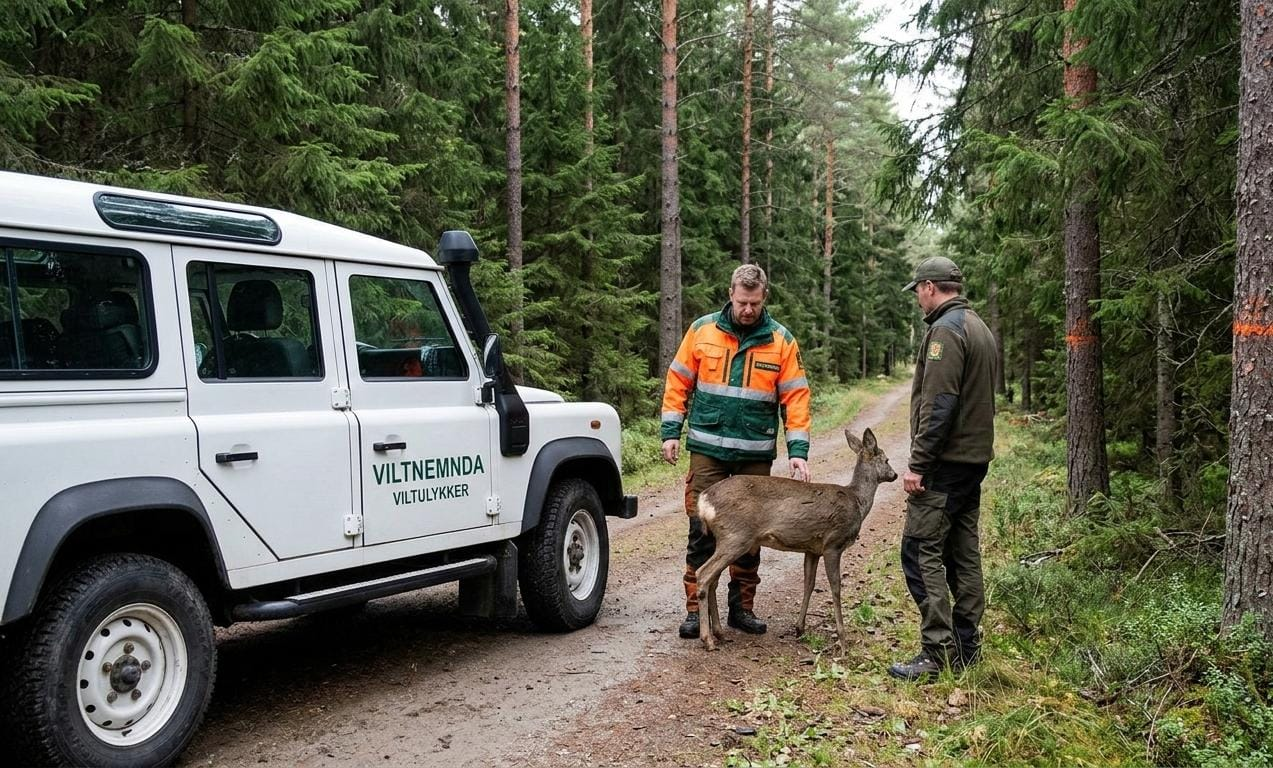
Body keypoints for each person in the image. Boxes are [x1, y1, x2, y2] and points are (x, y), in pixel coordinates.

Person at [660, 263, 812, 640]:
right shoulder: (702, 331)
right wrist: (670, 431)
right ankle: (697, 610)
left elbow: (795, 397)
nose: (747, 310)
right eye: (743, 302)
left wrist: (798, 450)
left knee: (752, 534)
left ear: (764, 299)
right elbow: (678, 380)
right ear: (731, 294)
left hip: (754, 455)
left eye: (755, 304)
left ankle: (741, 608)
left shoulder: (780, 341)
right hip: (707, 450)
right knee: (702, 530)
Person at [890, 256, 997, 680]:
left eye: (918, 289)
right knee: (963, 553)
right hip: (973, 462)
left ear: (931, 286)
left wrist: (918, 463)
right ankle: (968, 647)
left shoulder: (945, 332)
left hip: (945, 464)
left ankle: (937, 653)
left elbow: (939, 404)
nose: (917, 297)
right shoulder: (979, 327)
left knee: (919, 551)